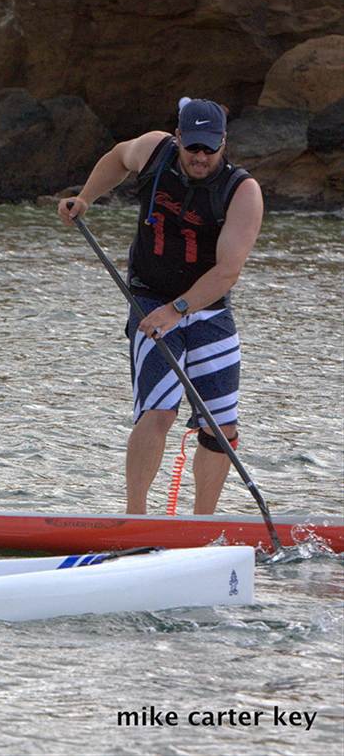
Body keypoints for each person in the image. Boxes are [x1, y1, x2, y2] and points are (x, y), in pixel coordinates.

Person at [58, 98, 263, 515]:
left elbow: (227, 271)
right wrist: (86, 198)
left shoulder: (242, 192)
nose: (200, 157)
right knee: (158, 412)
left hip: (208, 309)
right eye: (193, 147)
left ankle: (202, 524)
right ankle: (136, 516)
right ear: (179, 137)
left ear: (224, 142)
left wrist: (178, 310)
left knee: (221, 427)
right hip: (149, 298)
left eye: (210, 148)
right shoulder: (154, 150)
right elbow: (118, 157)